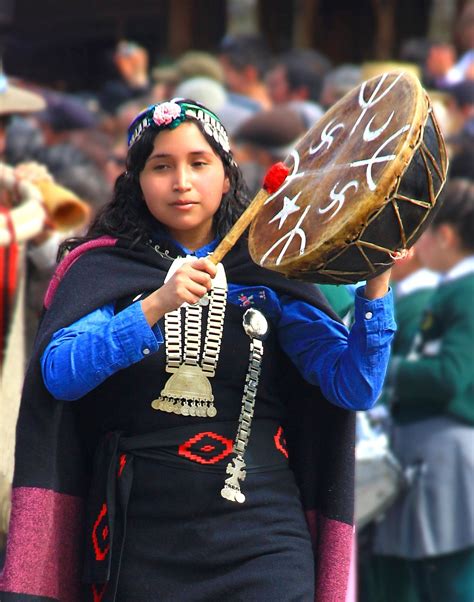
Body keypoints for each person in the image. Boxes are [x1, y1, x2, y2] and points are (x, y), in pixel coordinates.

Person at [0, 98, 396, 601]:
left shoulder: (267, 275)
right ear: (136, 182)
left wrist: (378, 284)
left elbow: (354, 385)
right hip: (142, 532)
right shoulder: (104, 270)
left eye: (199, 163)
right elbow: (58, 374)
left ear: (227, 177)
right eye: (161, 166)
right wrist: (156, 304)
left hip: (263, 531)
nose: (181, 181)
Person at [372, 178, 474, 602]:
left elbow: (451, 373)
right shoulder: (454, 287)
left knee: (451, 582)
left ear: (445, 235)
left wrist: (389, 371)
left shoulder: (465, 290)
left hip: (448, 447)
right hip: (430, 447)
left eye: (425, 231)